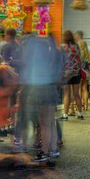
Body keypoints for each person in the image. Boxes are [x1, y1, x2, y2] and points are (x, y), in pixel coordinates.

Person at [23, 34, 63, 165]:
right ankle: (54, 149)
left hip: (41, 90)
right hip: (52, 89)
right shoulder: (56, 54)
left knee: (44, 123)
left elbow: (32, 75)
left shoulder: (39, 58)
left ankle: (44, 153)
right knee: (51, 122)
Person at [60, 30, 84, 120]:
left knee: (66, 94)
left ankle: (65, 115)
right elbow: (79, 59)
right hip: (76, 73)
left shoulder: (62, 47)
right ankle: (80, 114)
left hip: (66, 73)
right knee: (76, 94)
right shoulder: (76, 46)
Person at [75, 31, 90, 112]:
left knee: (79, 90)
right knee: (85, 89)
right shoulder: (87, 53)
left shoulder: (78, 53)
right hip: (87, 73)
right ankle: (86, 106)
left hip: (80, 72)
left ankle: (80, 105)